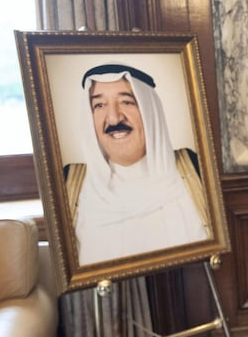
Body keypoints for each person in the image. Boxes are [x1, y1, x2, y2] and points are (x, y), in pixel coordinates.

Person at [64, 63, 210, 265]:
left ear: (150, 112)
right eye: (99, 105)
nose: (114, 117)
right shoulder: (70, 186)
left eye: (127, 102)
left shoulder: (196, 171)